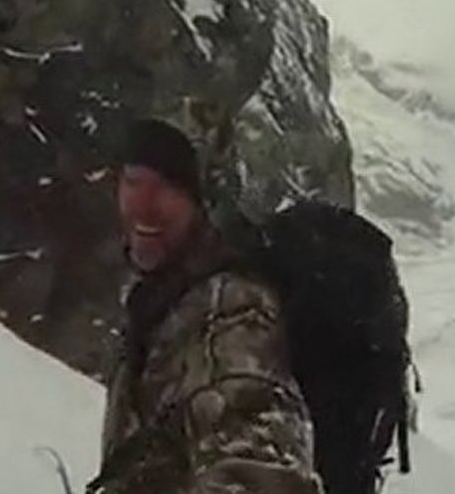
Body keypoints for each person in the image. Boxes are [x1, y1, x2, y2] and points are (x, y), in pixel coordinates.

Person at [88, 119, 323, 494]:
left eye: (168, 188)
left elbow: (261, 474)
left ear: (203, 205)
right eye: (134, 181)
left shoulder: (232, 309)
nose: (144, 205)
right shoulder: (160, 302)